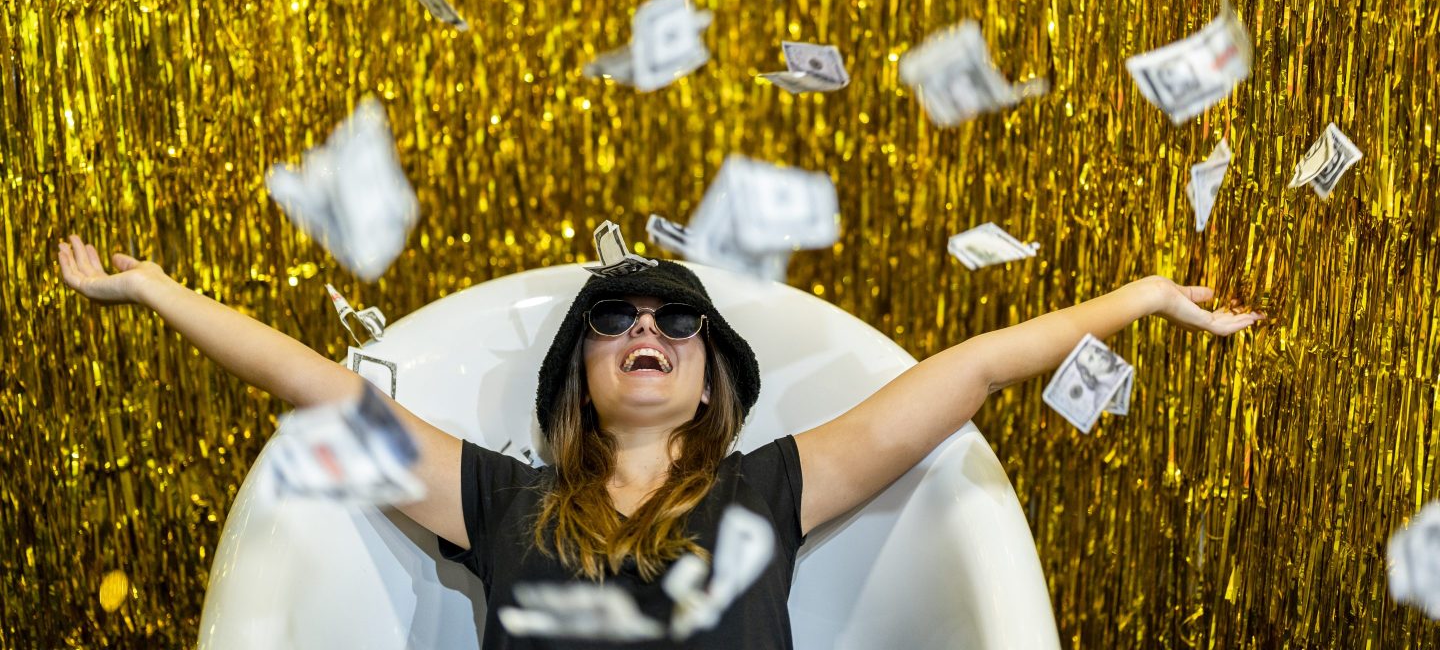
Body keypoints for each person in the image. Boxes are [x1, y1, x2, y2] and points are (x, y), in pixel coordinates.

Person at [56, 233, 1262, 648]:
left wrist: (1142, 299)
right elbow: (314, 387)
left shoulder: (773, 489)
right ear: (580, 371)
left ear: (707, 382)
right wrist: (160, 292)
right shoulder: (495, 502)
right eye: (615, 319)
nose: (648, 329)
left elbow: (978, 369)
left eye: (676, 318)